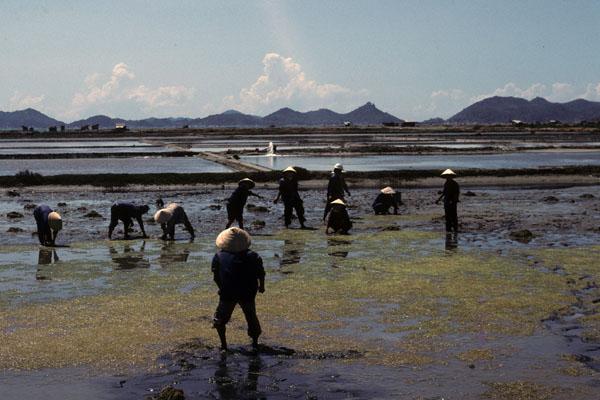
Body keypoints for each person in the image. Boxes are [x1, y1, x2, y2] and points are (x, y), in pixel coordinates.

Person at [211, 227, 265, 351]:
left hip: (228, 291)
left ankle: (223, 345)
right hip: (247, 291)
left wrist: (221, 288)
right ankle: (255, 343)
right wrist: (262, 286)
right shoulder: (253, 256)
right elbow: (261, 273)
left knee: (220, 318)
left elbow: (216, 277)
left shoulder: (219, 256)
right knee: (251, 315)